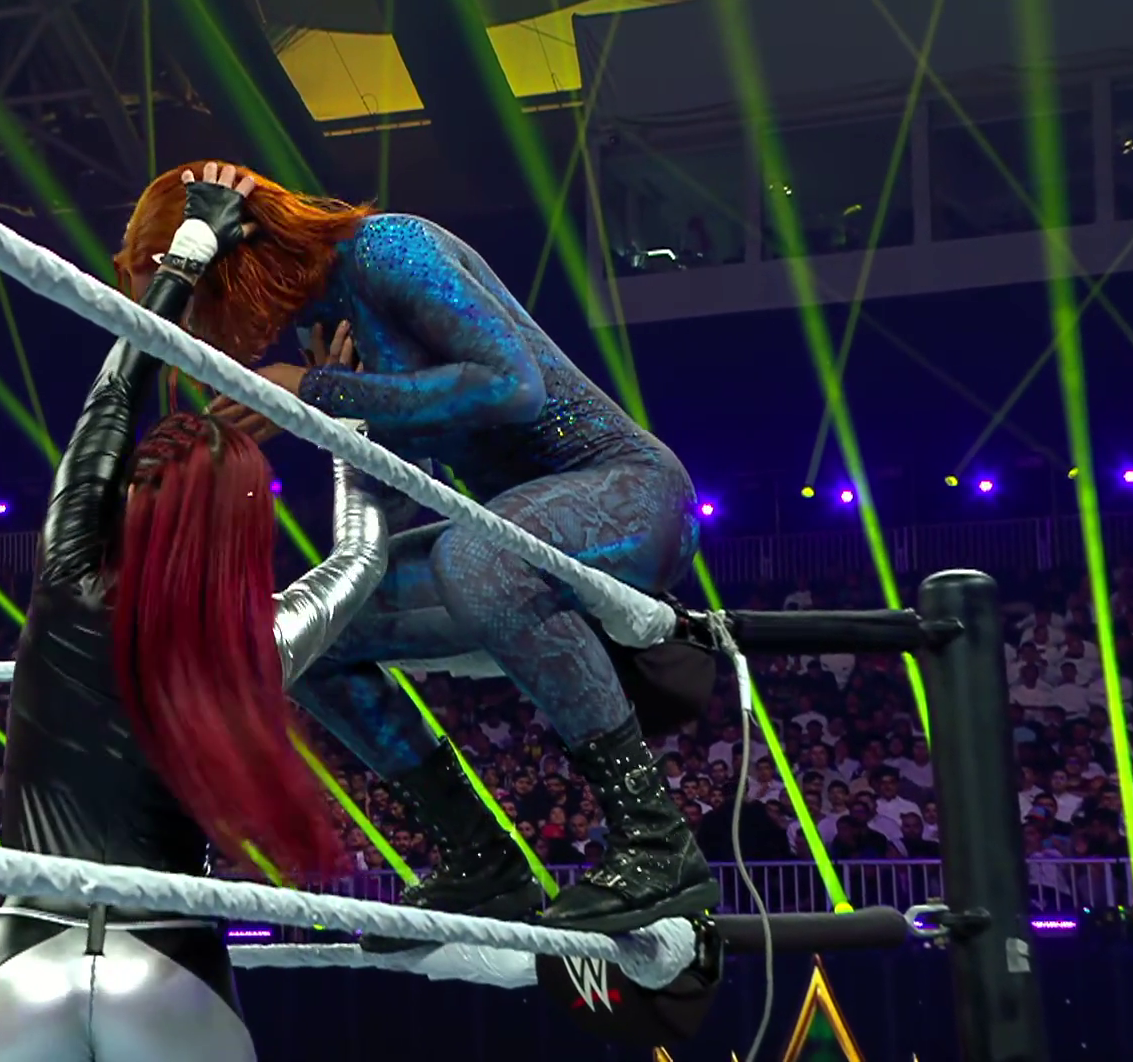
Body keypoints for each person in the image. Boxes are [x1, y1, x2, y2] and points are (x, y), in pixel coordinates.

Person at [115, 161, 718, 941]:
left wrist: (319, 393)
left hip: (630, 495)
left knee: (478, 558)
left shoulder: (388, 247)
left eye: (197, 308)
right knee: (308, 635)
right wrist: (341, 421)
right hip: (509, 534)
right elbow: (409, 492)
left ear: (232, 260)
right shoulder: (326, 322)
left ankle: (657, 841)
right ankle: (480, 859)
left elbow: (513, 388)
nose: (205, 335)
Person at [0, 165, 390, 1062]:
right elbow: (359, 557)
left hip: (21, 955)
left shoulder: (67, 572)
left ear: (132, 495)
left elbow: (114, 394)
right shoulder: (252, 641)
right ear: (243, 533)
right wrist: (347, 426)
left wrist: (188, 252)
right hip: (168, 956)